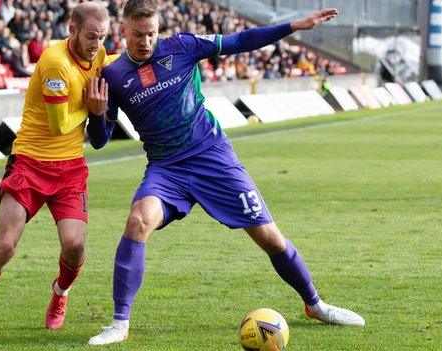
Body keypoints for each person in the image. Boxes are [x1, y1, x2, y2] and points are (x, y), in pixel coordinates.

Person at [85, 0, 365, 346]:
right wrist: (97, 115)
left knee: (270, 238)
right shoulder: (112, 76)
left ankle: (316, 304)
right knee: (138, 221)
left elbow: (240, 41)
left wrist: (292, 26)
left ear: (160, 30)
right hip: (166, 168)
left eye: (152, 34)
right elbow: (100, 141)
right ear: (123, 30)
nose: (146, 41)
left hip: (212, 157)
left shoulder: (183, 47)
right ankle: (119, 323)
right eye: (139, 34)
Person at [0, 2, 111, 341]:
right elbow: (60, 126)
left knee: (74, 246)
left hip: (71, 169)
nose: (96, 45)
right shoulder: (56, 64)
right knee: (6, 246)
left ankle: (60, 293)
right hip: (29, 163)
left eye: (102, 38)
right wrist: (92, 109)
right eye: (91, 37)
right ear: (72, 30)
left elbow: (117, 62)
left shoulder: (99, 55)